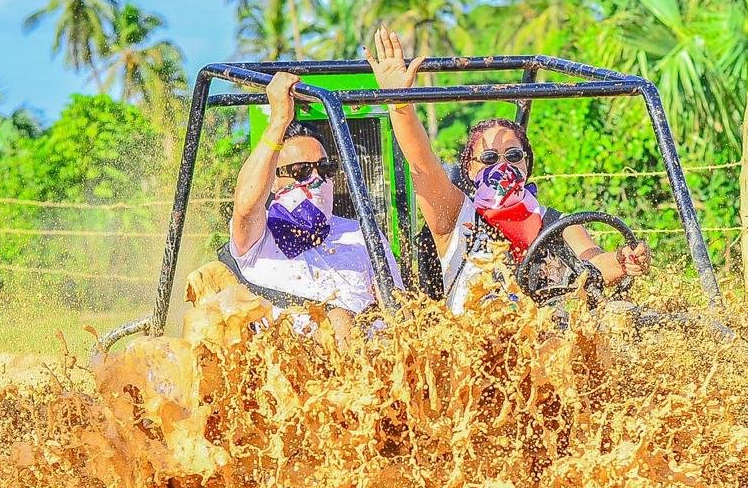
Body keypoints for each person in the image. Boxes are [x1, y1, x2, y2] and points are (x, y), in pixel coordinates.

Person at [363, 26, 651, 314]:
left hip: (547, 331)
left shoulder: (555, 223)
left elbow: (595, 261)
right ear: (470, 169)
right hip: (479, 340)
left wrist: (622, 260)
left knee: (619, 312)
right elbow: (420, 162)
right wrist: (398, 101)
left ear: (526, 163)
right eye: (489, 158)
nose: (502, 166)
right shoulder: (455, 216)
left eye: (513, 155)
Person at [228, 71, 403, 335]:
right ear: (273, 181)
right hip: (291, 357)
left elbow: (397, 309)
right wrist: (278, 121)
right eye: (300, 171)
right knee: (337, 323)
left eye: (324, 169)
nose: (315, 179)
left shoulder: (362, 233)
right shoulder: (258, 235)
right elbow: (245, 205)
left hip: (365, 355)